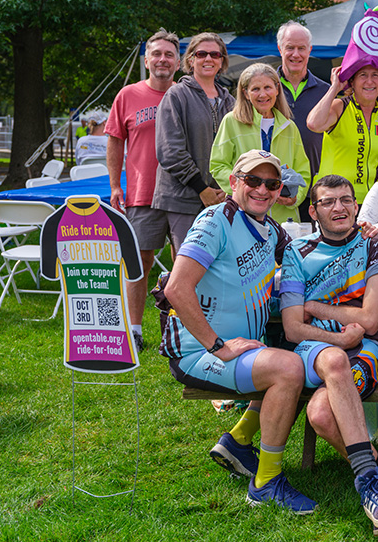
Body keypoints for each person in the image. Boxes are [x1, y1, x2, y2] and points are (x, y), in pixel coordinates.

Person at [160, 150, 315, 514]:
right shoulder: (215, 220)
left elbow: (300, 259)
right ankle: (266, 483)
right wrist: (217, 345)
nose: (262, 189)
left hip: (243, 347)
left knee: (302, 351)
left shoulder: (269, 228)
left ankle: (240, 442)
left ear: (280, 191)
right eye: (253, 181)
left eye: (272, 183)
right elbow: (176, 289)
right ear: (233, 182)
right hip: (199, 353)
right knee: (289, 369)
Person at [279, 175, 378, 535]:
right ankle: (373, 485)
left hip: (368, 349)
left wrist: (317, 306)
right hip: (315, 349)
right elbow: (293, 328)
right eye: (328, 202)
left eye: (346, 200)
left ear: (357, 206)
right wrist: (338, 339)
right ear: (313, 211)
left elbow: (371, 320)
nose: (339, 207)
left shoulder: (377, 246)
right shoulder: (297, 251)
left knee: (322, 413)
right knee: (335, 359)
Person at [106, 28, 178, 351]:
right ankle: (133, 329)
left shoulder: (186, 93)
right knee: (140, 261)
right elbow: (115, 140)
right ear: (146, 59)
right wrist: (114, 184)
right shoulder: (128, 95)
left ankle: (182, 327)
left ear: (178, 61)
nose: (163, 59)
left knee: (186, 262)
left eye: (169, 54)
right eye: (157, 53)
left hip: (182, 194)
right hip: (141, 192)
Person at [151, 32, 235, 251]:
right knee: (188, 264)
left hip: (221, 197)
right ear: (190, 60)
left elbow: (238, 149)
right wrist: (201, 188)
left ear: (222, 61)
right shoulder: (176, 96)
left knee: (217, 264)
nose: (208, 58)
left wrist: (226, 189)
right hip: (183, 198)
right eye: (201, 54)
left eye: (215, 54)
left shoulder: (230, 101)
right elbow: (169, 150)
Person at [307, 6, 378, 203]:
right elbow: (314, 124)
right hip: (333, 202)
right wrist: (334, 88)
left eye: (375, 75)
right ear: (353, 82)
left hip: (372, 205)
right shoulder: (339, 107)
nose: (369, 81)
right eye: (363, 75)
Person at [209, 63, 311, 224]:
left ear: (277, 89)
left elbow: (303, 172)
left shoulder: (289, 127)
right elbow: (218, 164)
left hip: (283, 218)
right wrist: (243, 190)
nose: (262, 94)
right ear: (246, 93)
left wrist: (295, 198)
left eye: (268, 87)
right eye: (255, 89)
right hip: (242, 214)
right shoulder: (232, 121)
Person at [275, 21, 329, 194]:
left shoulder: (326, 92)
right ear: (280, 49)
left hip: (315, 188)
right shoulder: (265, 89)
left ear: (310, 50)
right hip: (271, 187)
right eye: (290, 47)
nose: (296, 54)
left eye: (301, 48)